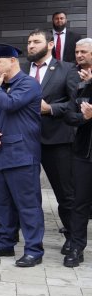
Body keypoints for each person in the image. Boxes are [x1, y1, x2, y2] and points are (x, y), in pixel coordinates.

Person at [0, 44, 44, 267]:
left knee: (28, 205)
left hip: (22, 155)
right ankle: (5, 243)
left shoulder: (28, 84)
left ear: (13, 61)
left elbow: (10, 105)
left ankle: (34, 249)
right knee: (3, 204)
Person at [23, 29, 79, 255]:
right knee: (28, 193)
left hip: (56, 141)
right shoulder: (22, 71)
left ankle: (73, 236)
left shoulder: (67, 69)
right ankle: (31, 237)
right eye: (28, 42)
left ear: (49, 45)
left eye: (36, 42)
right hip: (26, 141)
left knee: (64, 193)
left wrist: (52, 109)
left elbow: (76, 103)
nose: (30, 46)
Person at [63, 38, 92, 267]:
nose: (79, 55)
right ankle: (76, 246)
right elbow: (70, 116)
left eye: (83, 51)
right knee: (79, 202)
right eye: (76, 51)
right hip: (83, 153)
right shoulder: (78, 81)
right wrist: (85, 118)